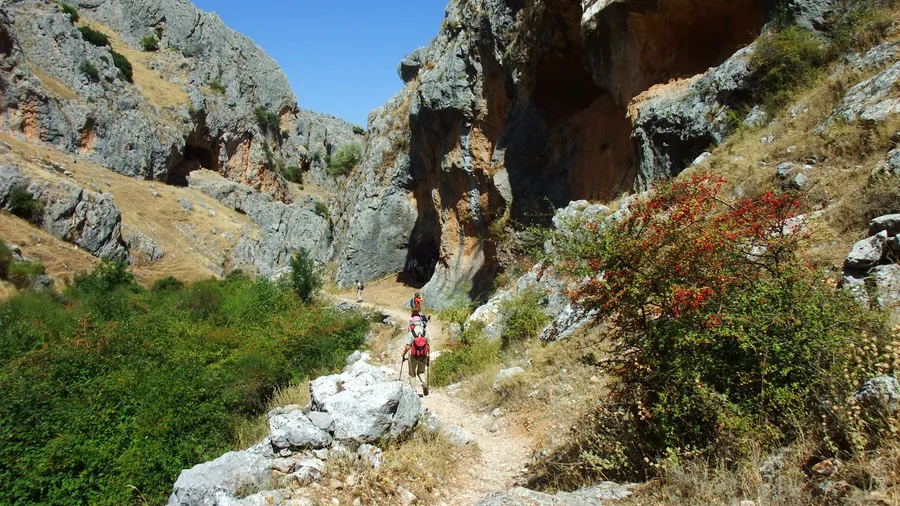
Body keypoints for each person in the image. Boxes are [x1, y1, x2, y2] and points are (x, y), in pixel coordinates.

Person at [402, 314, 430, 396]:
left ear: (413, 324)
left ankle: (413, 390)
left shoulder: (411, 333)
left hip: (413, 356)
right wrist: (428, 356)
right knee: (421, 372)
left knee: (412, 373)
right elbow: (428, 346)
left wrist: (403, 354)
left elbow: (407, 346)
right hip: (423, 355)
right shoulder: (425, 333)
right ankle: (424, 383)